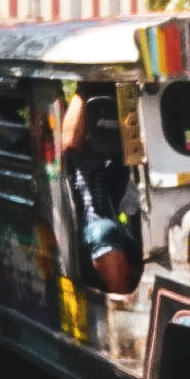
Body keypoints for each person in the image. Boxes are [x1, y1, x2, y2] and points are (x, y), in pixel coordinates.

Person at [61, 87, 138, 294]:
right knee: (104, 231)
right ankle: (122, 298)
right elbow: (68, 142)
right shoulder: (83, 153)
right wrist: (85, 88)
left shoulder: (133, 150)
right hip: (94, 227)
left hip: (133, 223)